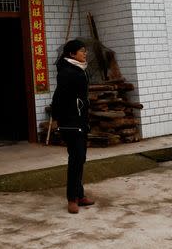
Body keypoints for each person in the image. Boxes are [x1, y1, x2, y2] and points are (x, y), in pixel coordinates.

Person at [51, 39, 95, 214]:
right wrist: (57, 118)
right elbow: (58, 97)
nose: (85, 54)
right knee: (76, 159)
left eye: (85, 51)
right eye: (82, 51)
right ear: (71, 54)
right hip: (70, 122)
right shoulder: (67, 72)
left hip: (81, 121)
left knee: (80, 158)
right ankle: (72, 199)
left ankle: (80, 194)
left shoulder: (79, 70)